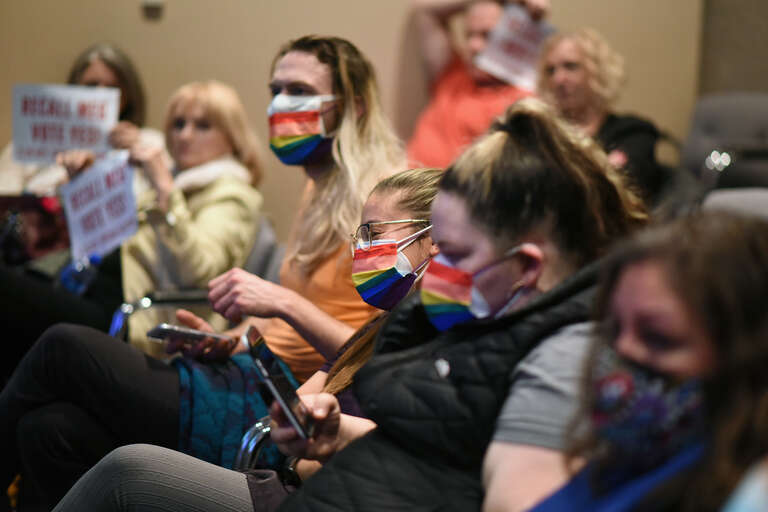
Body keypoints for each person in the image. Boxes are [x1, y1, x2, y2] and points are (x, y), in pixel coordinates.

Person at [261, 97, 646, 512]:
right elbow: (435, 454)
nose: (435, 267)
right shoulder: (468, 322)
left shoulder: (560, 359)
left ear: (527, 265)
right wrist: (342, 438)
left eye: (455, 254)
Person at [3, 167, 441, 512]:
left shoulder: (440, 338)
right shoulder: (385, 322)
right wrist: (233, 341)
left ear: (434, 239)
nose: (361, 249)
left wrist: (284, 305)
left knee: (64, 348)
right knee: (50, 429)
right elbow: (298, 408)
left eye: (374, 234)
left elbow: (304, 448)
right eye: (359, 235)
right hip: (266, 404)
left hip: (284, 467)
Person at [0, 81, 264, 386]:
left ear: (232, 138)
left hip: (130, 320)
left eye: (203, 126)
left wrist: (165, 191)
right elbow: (101, 241)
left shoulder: (233, 193)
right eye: (178, 124)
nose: (185, 135)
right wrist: (83, 184)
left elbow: (199, 271)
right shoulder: (175, 181)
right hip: (88, 290)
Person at [526, 212, 768, 512]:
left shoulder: (749, 496)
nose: (622, 351)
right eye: (614, 330)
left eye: (658, 338)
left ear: (749, 354)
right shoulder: (632, 458)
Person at [205, 35, 405, 382]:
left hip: (314, 397)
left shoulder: (388, 200)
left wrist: (282, 301)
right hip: (262, 372)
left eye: (298, 91)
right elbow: (286, 319)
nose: (279, 104)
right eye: (276, 90)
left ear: (354, 107)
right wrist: (226, 340)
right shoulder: (318, 187)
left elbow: (382, 358)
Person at [0, 42, 161, 196]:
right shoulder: (27, 147)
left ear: (128, 97)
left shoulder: (150, 142)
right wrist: (63, 184)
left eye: (112, 88)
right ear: (73, 88)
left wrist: (140, 151)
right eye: (91, 86)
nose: (100, 94)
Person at [406, 0, 546, 168]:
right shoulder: (452, 73)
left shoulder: (526, 99)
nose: (473, 46)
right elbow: (423, 10)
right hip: (408, 184)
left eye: (487, 35)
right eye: (469, 35)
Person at [537, 28, 665, 203]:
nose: (558, 79)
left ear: (597, 71)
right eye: (550, 71)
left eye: (570, 66)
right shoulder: (541, 135)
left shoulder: (634, 132)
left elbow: (625, 189)